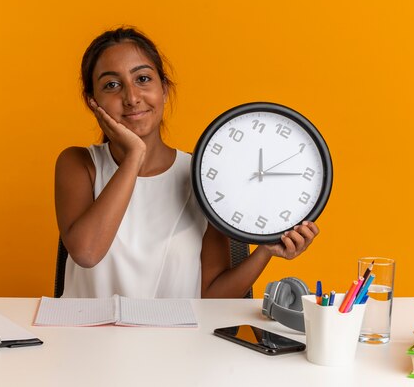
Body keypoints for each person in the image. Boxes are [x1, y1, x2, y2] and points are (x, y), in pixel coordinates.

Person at [55, 26, 319, 299]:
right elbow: (87, 253)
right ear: (92, 102)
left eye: (143, 78)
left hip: (175, 339)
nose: (132, 98)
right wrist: (135, 156)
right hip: (87, 338)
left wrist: (267, 250)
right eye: (112, 85)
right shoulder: (78, 163)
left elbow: (212, 297)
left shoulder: (203, 175)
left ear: (164, 89)